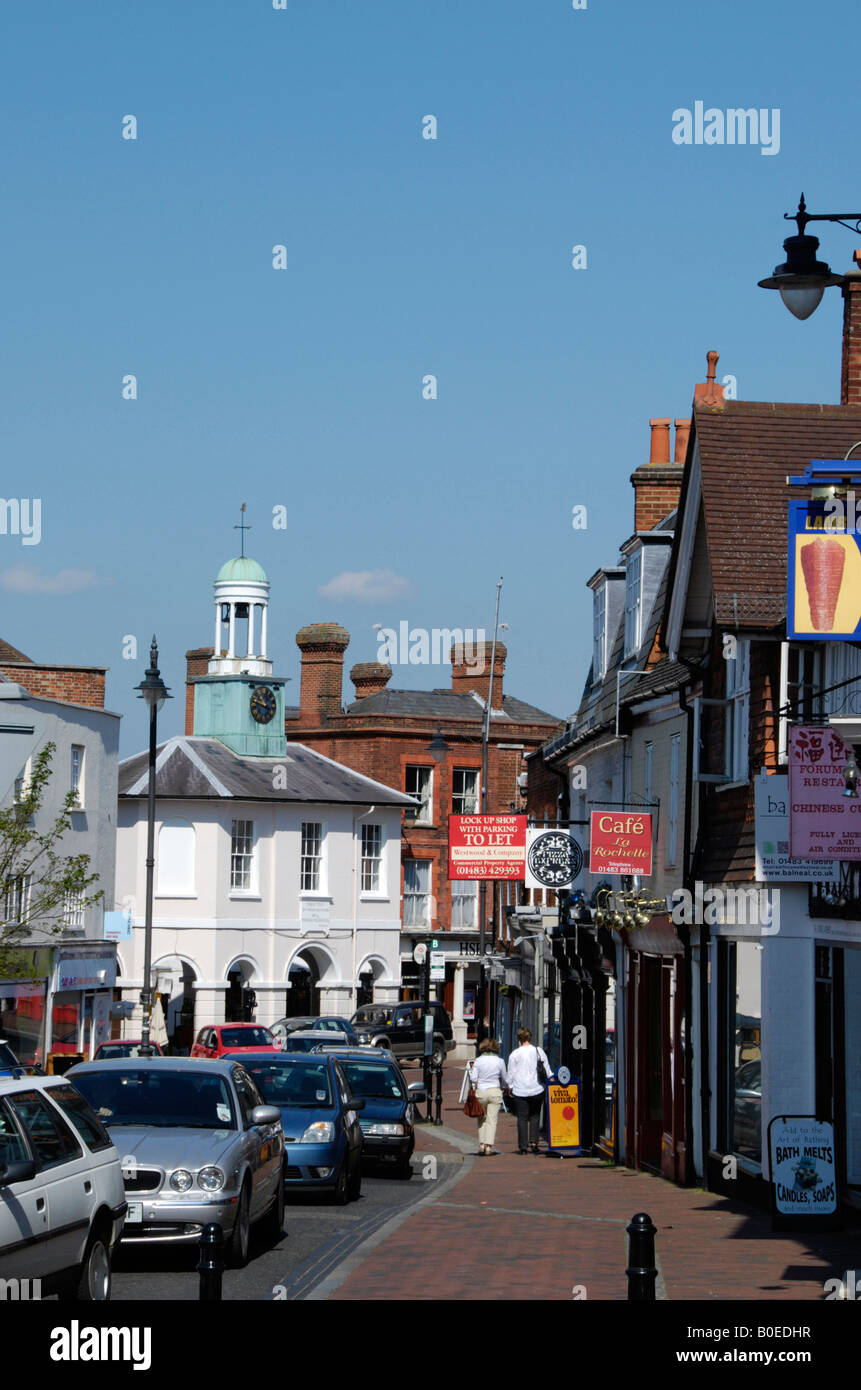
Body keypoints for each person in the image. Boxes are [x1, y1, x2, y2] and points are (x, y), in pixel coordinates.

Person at [507, 1027, 553, 1154]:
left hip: (520, 1089)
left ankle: (523, 1147)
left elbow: (510, 1073)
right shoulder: (538, 1051)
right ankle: (534, 1143)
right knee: (535, 1115)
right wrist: (551, 1079)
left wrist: (510, 1086)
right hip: (537, 1088)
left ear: (519, 1039)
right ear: (530, 1038)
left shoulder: (514, 1054)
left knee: (522, 1117)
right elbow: (547, 1069)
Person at [469, 1038, 508, 1155]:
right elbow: (505, 1078)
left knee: (481, 1119)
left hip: (481, 1092)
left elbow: (473, 1078)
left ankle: (481, 1145)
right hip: (495, 1091)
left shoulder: (478, 1060)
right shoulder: (500, 1061)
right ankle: (489, 1147)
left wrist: (478, 1082)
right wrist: (504, 1088)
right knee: (492, 1120)